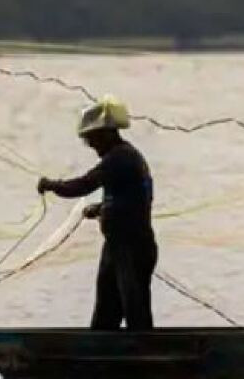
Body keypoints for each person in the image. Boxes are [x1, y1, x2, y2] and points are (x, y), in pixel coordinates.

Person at [37, 96, 157, 330]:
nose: (91, 145)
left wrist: (52, 185)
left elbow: (83, 185)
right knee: (106, 313)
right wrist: (102, 209)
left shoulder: (120, 158)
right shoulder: (124, 157)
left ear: (108, 133)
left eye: (92, 138)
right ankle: (102, 352)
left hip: (133, 247)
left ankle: (145, 354)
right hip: (116, 246)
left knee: (136, 312)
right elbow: (133, 199)